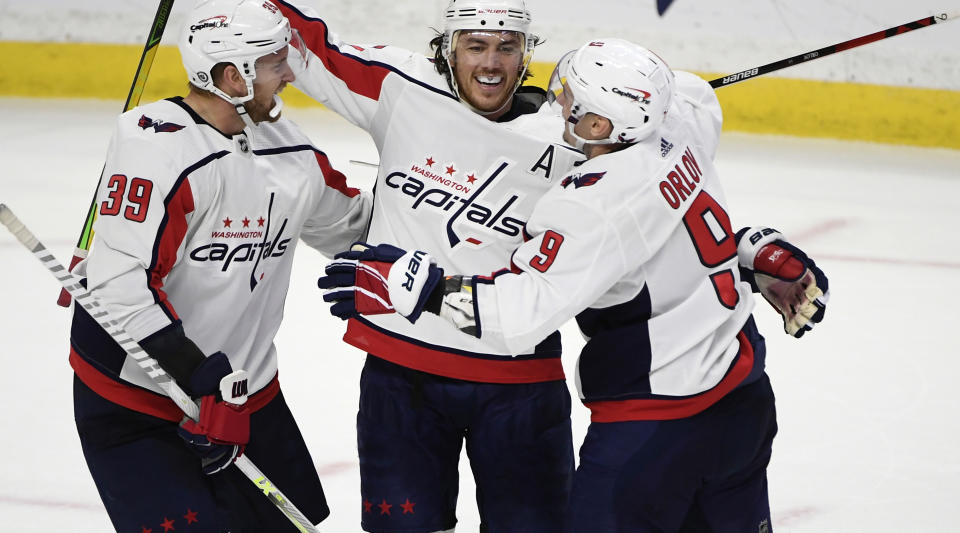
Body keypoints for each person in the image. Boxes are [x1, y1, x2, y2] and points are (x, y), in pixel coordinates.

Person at [138, 0, 584, 532]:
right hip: (403, 377)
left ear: (526, 53)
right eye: (475, 46)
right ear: (447, 49)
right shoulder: (403, 91)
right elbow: (309, 51)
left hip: (521, 383)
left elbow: (656, 164)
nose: (491, 62)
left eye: (507, 47)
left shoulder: (569, 137)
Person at [318, 38, 831, 532]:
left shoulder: (594, 206)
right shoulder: (686, 120)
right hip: (742, 397)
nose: (555, 100)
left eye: (570, 100)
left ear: (602, 123)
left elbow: (522, 314)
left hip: (657, 422)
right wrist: (749, 249)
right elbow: (690, 93)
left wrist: (422, 288)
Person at [69, 0, 372, 532]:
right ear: (233, 77)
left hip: (245, 392)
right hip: (139, 401)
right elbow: (117, 283)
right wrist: (198, 378)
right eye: (275, 62)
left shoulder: (290, 150)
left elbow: (353, 225)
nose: (288, 73)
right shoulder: (156, 143)